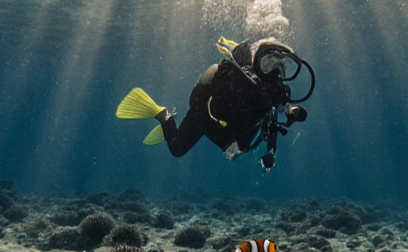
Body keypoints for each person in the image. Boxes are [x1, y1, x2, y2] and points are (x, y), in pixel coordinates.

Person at [116, 37, 314, 172]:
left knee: (243, 146)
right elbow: (211, 113)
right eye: (270, 64)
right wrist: (228, 145)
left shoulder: (274, 92)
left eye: (283, 66)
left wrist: (270, 152)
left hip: (233, 126)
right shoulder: (236, 78)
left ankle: (236, 144)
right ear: (258, 62)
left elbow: (271, 124)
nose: (276, 73)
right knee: (176, 150)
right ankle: (163, 115)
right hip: (205, 114)